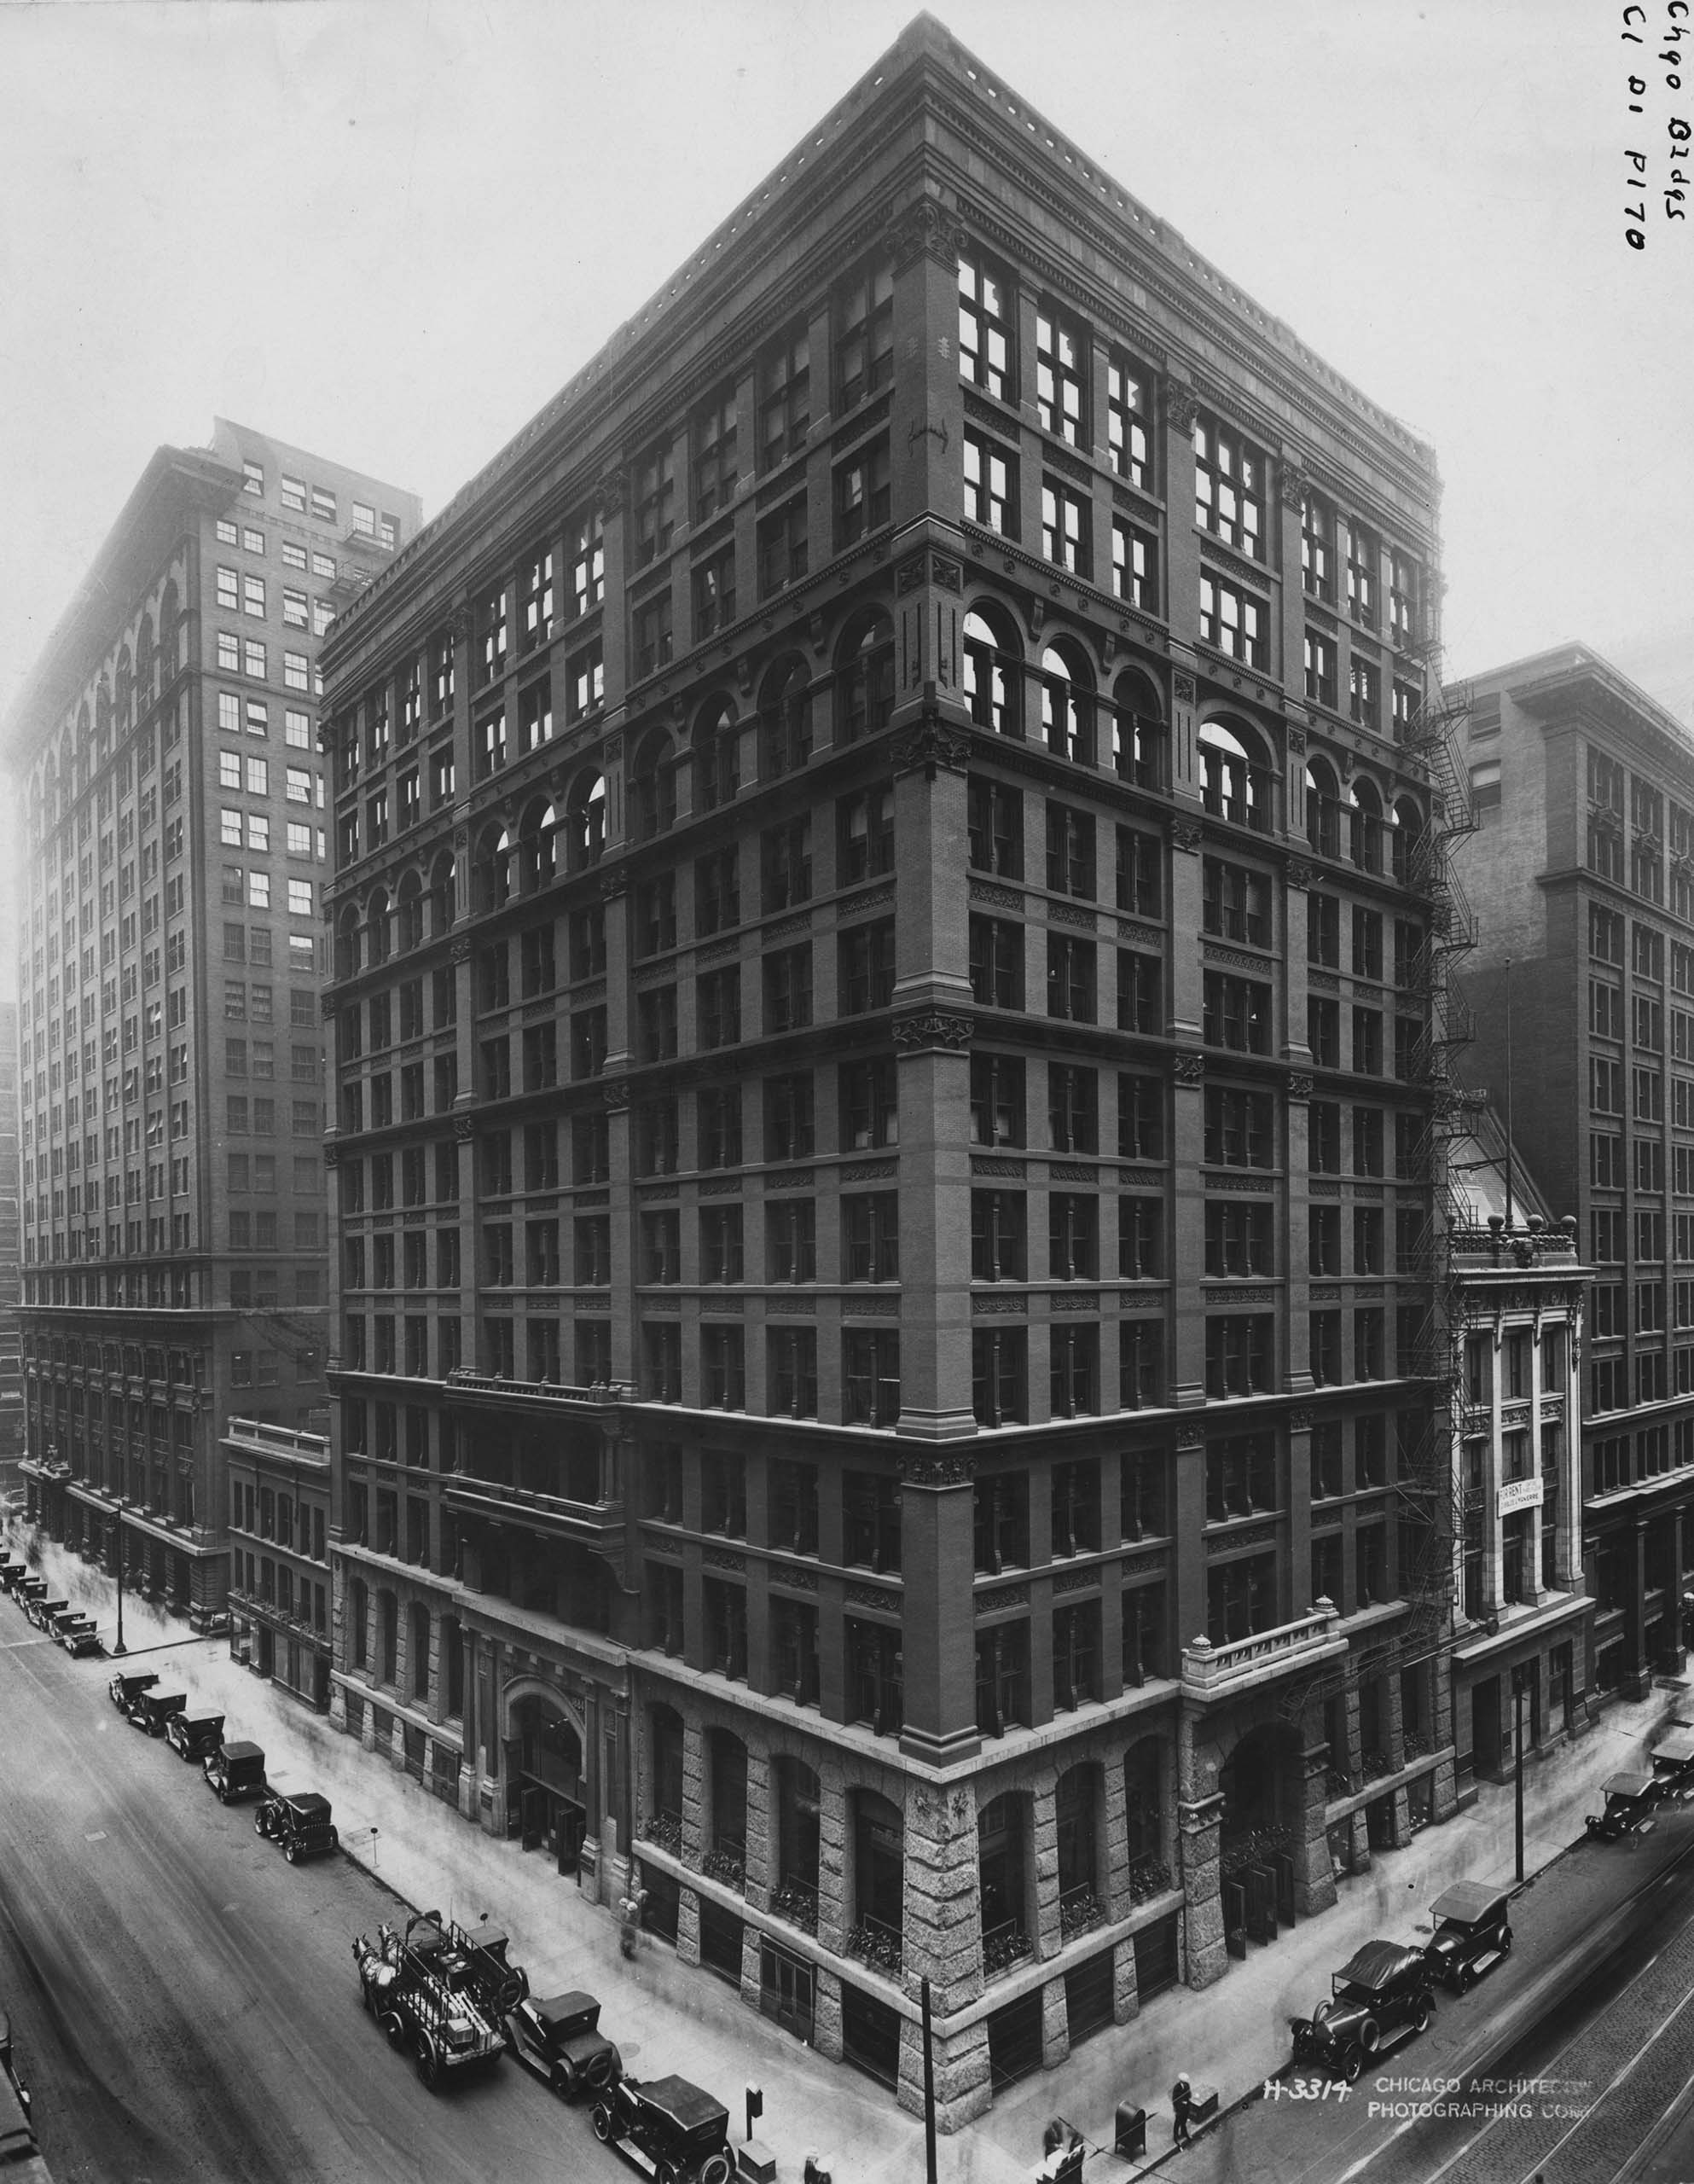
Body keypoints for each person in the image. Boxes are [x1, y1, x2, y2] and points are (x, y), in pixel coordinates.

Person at [1172, 2074, 1194, 2149]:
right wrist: (1178, 2106)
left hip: (1186, 2107)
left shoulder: (1187, 2085)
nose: (1186, 2083)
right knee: (1177, 2122)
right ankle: (1175, 2136)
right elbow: (1174, 2100)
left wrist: (1188, 2098)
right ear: (1181, 2081)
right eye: (1184, 2082)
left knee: (1184, 2121)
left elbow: (1188, 2094)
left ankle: (1184, 2133)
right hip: (1179, 2108)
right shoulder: (1177, 2088)